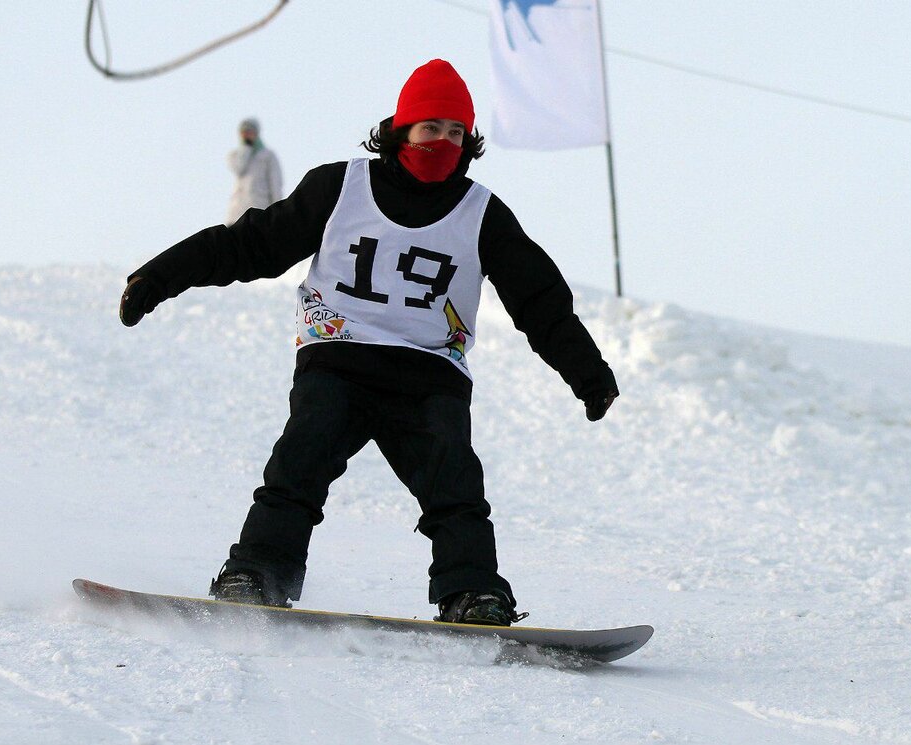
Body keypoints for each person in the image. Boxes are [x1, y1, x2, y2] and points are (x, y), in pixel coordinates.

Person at [118, 59, 618, 626]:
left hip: (430, 375)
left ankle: (473, 595)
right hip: (339, 362)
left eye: (457, 133)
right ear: (401, 129)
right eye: (432, 128)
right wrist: (159, 277)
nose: (444, 143)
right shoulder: (341, 187)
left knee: (455, 487)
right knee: (298, 465)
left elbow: (541, 301)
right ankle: (257, 575)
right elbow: (249, 245)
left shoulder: (482, 214)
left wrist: (588, 373)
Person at [225, 117, 283, 226]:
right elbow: (238, 168)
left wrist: (277, 210)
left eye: (250, 131)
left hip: (259, 207)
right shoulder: (235, 155)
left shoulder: (268, 156)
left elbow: (275, 183)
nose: (247, 135)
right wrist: (246, 148)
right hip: (237, 212)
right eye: (244, 132)